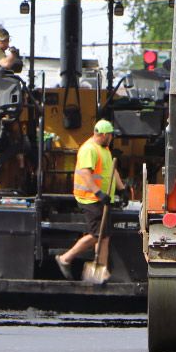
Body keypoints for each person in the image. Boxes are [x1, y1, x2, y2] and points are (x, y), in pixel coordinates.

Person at [56, 119, 126, 284]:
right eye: (110, 135)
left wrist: (122, 189)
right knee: (96, 234)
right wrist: (99, 193)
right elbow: (86, 174)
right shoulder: (89, 149)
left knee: (105, 236)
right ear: (102, 135)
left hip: (100, 199)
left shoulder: (104, 149)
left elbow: (111, 170)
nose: (111, 138)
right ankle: (65, 258)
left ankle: (101, 271)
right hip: (90, 198)